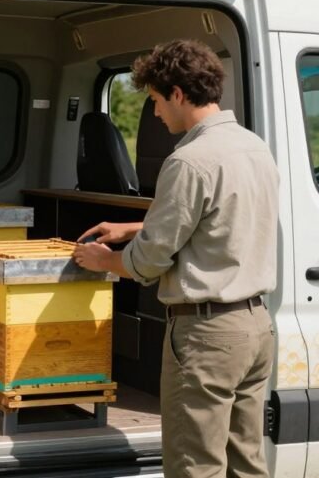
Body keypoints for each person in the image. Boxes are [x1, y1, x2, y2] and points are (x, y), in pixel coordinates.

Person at [72, 39, 279, 478]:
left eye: (156, 102)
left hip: (207, 336)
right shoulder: (255, 148)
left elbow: (147, 262)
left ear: (178, 95)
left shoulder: (188, 160)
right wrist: (131, 228)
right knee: (248, 463)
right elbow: (219, 220)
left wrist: (103, 259)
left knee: (194, 466)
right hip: (255, 327)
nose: (156, 113)